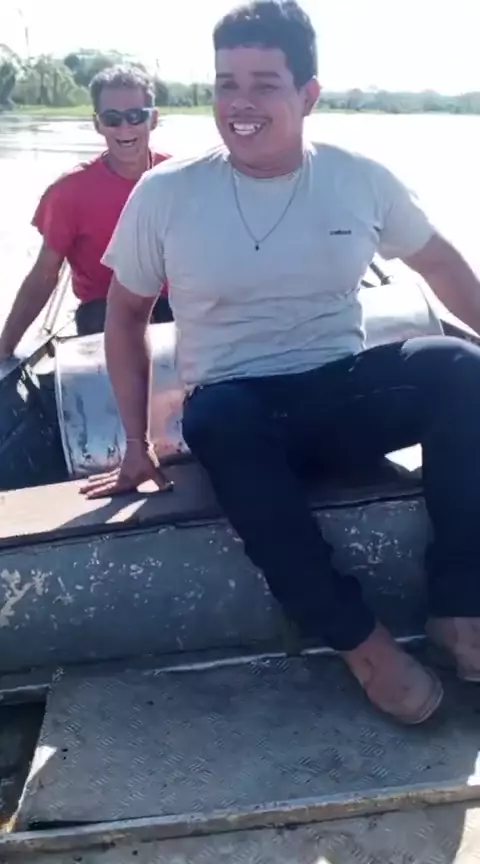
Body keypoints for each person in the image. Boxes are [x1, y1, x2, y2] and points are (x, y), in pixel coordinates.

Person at [82, 0, 480, 725]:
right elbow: (126, 313)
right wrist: (136, 445)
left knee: (459, 366)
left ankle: (460, 607)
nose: (240, 103)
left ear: (308, 94)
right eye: (225, 84)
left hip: (340, 394)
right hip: (239, 407)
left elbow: (444, 266)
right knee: (219, 416)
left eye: (264, 84)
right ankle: (362, 644)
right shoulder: (166, 193)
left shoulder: (359, 178)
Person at [0, 64, 172, 359]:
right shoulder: (68, 192)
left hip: (171, 307)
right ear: (97, 124)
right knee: (107, 317)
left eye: (135, 116)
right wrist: (4, 348)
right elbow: (44, 274)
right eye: (112, 119)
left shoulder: (179, 178)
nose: (125, 128)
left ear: (153, 119)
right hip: (102, 311)